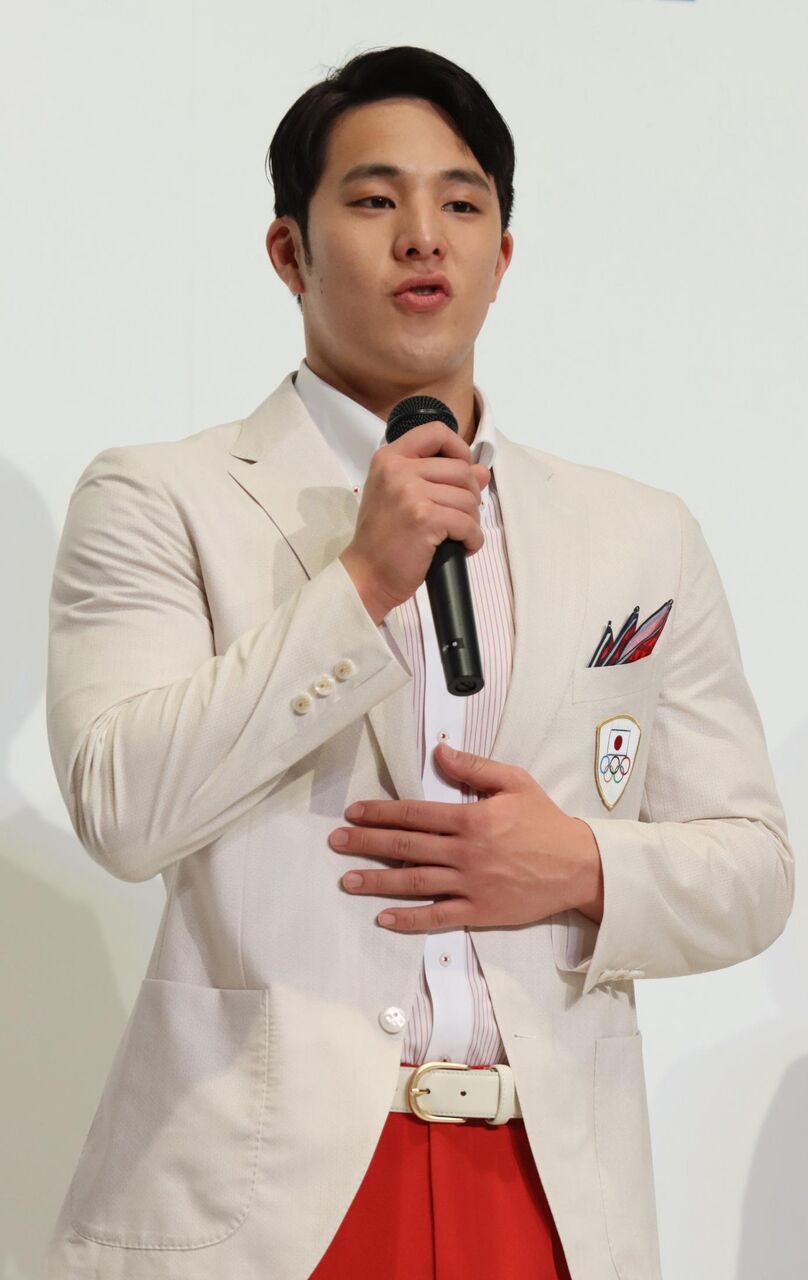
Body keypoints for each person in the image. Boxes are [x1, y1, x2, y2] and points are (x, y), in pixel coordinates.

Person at [40, 44, 793, 1280]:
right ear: (288, 251)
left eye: (461, 202)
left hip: (548, 1195)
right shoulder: (159, 498)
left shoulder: (637, 531)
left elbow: (754, 867)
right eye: (374, 199)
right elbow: (123, 809)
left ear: (504, 253)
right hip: (264, 1202)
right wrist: (359, 583)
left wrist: (580, 862)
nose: (422, 237)